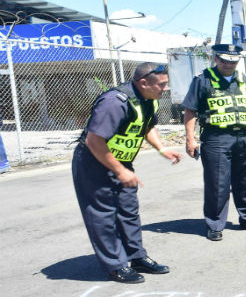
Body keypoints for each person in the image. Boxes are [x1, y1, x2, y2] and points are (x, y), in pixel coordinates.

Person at [72, 63, 182, 283]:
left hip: (120, 161)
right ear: (143, 83)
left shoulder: (148, 99)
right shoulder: (115, 102)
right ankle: (115, 265)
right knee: (103, 215)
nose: (165, 89)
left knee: (128, 210)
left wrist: (161, 148)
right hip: (94, 162)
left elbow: (147, 125)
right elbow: (94, 141)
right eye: (161, 85)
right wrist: (120, 170)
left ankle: (136, 257)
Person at [183, 44, 246, 241]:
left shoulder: (244, 80)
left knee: (245, 181)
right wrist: (190, 139)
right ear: (216, 59)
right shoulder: (202, 80)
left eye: (234, 60)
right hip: (217, 138)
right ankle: (215, 224)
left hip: (245, 138)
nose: (229, 64)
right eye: (225, 60)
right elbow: (190, 111)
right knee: (217, 183)